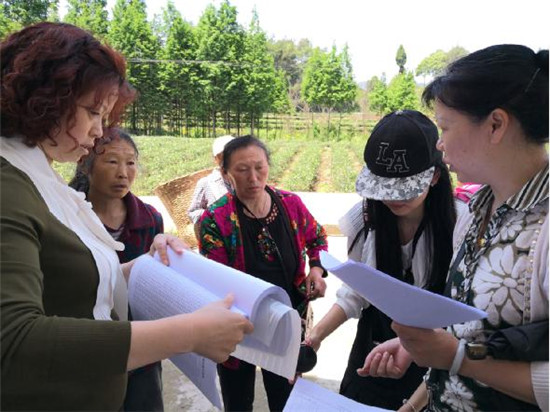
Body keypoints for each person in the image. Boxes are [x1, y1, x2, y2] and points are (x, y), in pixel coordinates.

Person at [0, 22, 253, 411]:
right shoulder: (8, 184)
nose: (99, 131)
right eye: (92, 112)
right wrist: (188, 333)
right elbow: (14, 340)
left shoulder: (39, 174)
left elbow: (66, 284)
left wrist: (145, 267)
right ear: (45, 98)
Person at [361, 45, 548, 412]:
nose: (439, 143)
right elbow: (466, 337)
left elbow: (460, 354)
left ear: (495, 125)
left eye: (445, 126)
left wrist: (457, 357)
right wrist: (418, 382)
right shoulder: (474, 212)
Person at [304, 110, 458, 410]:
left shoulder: (460, 227)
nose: (392, 198)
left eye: (404, 189)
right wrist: (316, 336)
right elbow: (355, 291)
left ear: (435, 176)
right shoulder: (364, 220)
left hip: (436, 350)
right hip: (375, 346)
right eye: (384, 188)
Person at [198, 135, 329, 412]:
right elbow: (215, 282)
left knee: (286, 400)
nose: (253, 178)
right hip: (239, 328)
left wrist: (316, 269)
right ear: (225, 173)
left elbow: (317, 237)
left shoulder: (290, 205)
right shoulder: (216, 219)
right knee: (238, 401)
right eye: (242, 170)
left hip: (286, 325)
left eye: (260, 167)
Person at [69, 128, 165, 411]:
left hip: (142, 346)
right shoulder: (66, 217)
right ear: (85, 165)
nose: (123, 173)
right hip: (86, 346)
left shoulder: (150, 219)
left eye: (130, 162)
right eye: (112, 162)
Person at [188, 134, 234, 228]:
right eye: (222, 155)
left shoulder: (247, 180)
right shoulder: (206, 183)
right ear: (215, 159)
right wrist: (214, 213)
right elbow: (192, 213)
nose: (227, 159)